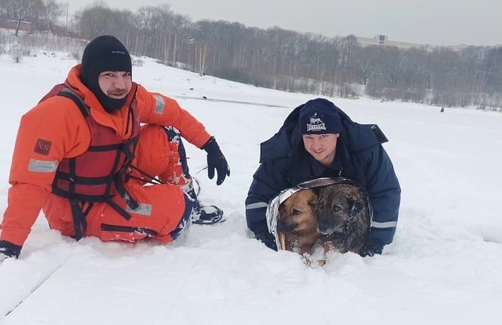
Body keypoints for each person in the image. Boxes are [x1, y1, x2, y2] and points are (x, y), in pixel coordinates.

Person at [0, 35, 230, 262]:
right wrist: (9, 243)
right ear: (91, 76)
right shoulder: (57, 114)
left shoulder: (132, 99)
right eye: (109, 75)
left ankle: (190, 204)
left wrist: (209, 144)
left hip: (113, 176)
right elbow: (29, 183)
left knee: (166, 136)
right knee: (176, 207)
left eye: (125, 75)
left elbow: (172, 112)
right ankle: (182, 208)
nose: (120, 84)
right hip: (77, 209)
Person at [245, 98, 400, 256]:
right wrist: (263, 233)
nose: (316, 146)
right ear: (301, 135)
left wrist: (377, 241)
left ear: (337, 133)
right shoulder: (284, 153)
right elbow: (258, 195)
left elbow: (386, 193)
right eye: (309, 137)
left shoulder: (366, 150)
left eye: (323, 136)